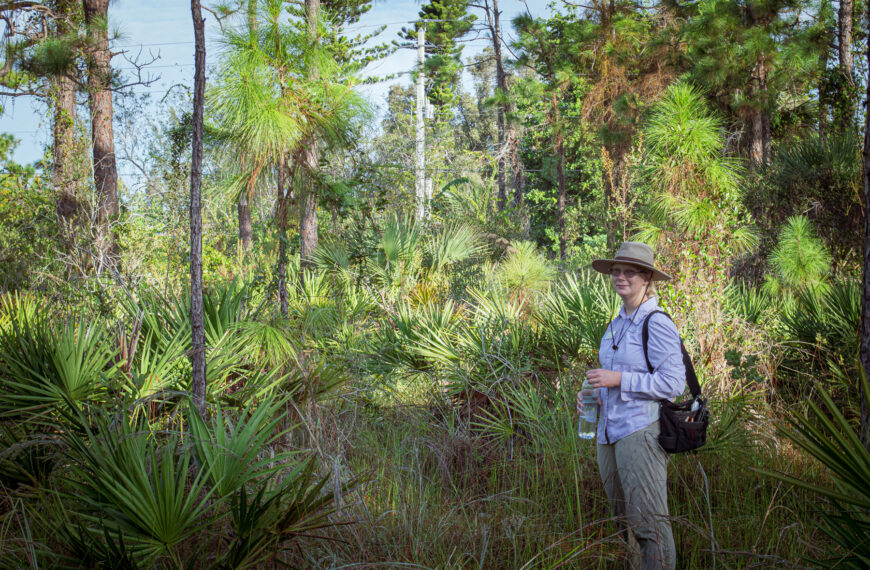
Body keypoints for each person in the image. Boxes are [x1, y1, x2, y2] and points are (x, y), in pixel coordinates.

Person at [577, 241, 686, 570]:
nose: (620, 277)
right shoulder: (615, 324)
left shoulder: (656, 323)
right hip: (608, 434)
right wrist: (590, 398)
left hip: (640, 432)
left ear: (647, 278)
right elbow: (605, 379)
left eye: (630, 272)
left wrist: (619, 380)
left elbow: (673, 384)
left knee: (649, 525)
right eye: (616, 271)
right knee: (625, 523)